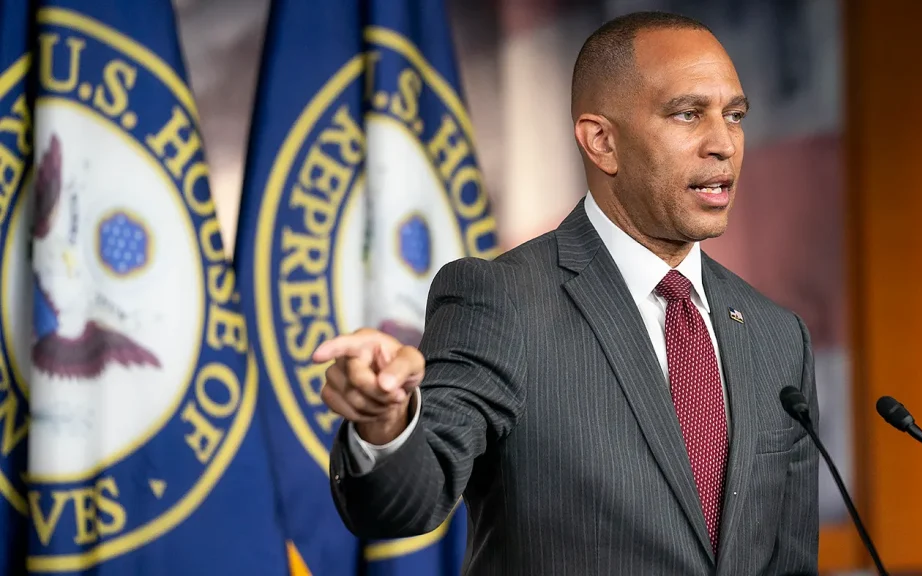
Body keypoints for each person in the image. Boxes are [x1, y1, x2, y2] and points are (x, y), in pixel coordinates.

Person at [313, 11, 819, 576]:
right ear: (601, 142)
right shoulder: (502, 299)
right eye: (686, 114)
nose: (723, 144)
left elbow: (790, 560)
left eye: (735, 116)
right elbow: (403, 504)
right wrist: (386, 423)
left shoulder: (778, 335)